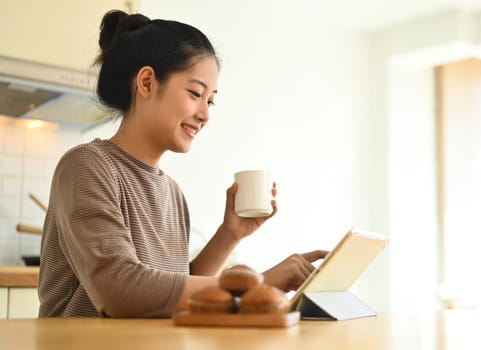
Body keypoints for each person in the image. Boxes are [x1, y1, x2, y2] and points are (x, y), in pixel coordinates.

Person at [38, 9, 327, 318]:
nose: (205, 114)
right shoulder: (87, 166)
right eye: (195, 93)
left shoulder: (172, 192)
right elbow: (119, 290)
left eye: (210, 100)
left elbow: (167, 293)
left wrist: (229, 235)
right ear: (147, 82)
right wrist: (256, 287)